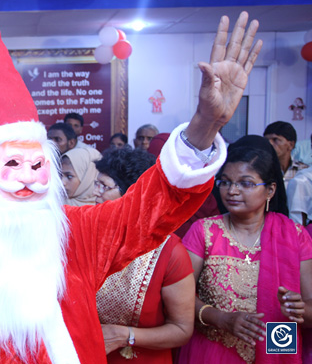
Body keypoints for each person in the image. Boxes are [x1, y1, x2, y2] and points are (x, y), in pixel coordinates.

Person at [0, 3, 262, 364]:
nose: (26, 179)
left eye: (36, 164)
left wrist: (204, 124)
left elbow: (149, 211)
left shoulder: (76, 235)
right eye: (11, 164)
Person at [178, 137, 312, 364]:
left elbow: (309, 309)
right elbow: (179, 299)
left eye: (246, 183)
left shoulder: (295, 236)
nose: (232, 190)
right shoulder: (204, 232)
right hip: (213, 352)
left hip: (276, 347)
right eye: (226, 182)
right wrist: (220, 318)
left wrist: (299, 310)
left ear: (270, 190)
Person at [93, 148, 195, 363]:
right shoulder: (89, 237)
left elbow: (182, 329)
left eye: (104, 186)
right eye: (96, 183)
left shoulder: (169, 252)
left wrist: (125, 336)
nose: (95, 192)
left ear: (133, 195)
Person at [263, 121, 309, 187]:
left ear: (291, 145)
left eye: (275, 140)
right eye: (266, 140)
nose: (269, 144)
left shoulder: (304, 170)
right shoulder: (261, 170)